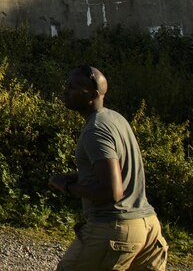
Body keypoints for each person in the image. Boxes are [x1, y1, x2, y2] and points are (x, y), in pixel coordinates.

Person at [49, 66, 168, 271]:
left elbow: (112, 192)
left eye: (74, 87)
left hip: (115, 228)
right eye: (67, 86)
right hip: (148, 226)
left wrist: (67, 187)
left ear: (93, 95)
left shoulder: (95, 131)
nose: (66, 91)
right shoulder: (115, 119)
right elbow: (120, 172)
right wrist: (78, 176)